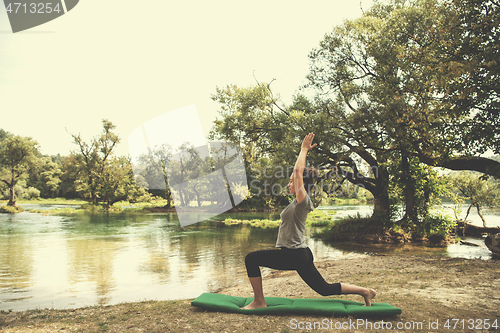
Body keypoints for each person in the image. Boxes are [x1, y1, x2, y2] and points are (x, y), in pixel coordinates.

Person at [241, 132, 376, 310]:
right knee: (324, 289)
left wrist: (303, 149)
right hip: (300, 253)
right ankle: (365, 291)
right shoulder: (296, 203)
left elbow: (298, 172)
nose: (289, 184)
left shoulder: (302, 201)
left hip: (293, 254)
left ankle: (259, 301)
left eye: (291, 182)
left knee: (251, 259)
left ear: (300, 185)